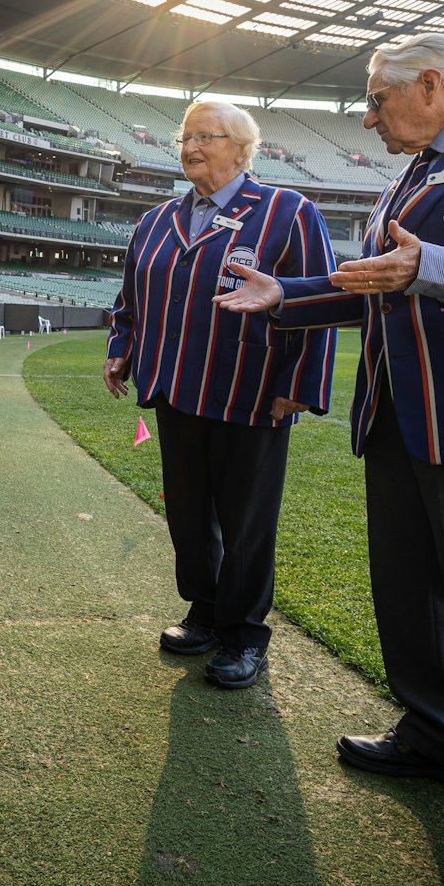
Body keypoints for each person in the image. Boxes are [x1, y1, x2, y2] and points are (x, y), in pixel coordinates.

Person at [215, 33, 444, 886]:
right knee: (410, 596)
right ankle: (436, 734)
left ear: (430, 84)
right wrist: (290, 296)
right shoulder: (415, 172)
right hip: (398, 422)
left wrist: (441, 264)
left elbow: (430, 270)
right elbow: (382, 280)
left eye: (377, 99)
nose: (367, 114)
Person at [105, 99, 336, 689]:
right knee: (188, 514)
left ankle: (244, 635)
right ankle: (203, 613)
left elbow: (318, 305)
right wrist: (121, 345)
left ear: (242, 147)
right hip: (175, 390)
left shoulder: (289, 212)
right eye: (184, 136)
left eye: (206, 136)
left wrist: (300, 384)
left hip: (251, 395)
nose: (190, 147)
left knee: (246, 523)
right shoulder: (156, 219)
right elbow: (131, 296)